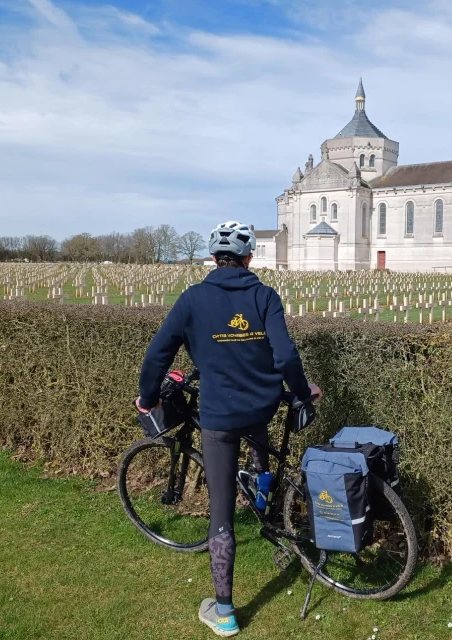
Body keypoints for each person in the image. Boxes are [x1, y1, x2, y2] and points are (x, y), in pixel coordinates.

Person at [136, 220, 322, 637]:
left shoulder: (192, 299)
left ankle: (224, 613)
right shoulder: (264, 295)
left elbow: (156, 357)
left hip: (219, 418)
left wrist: (147, 398)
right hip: (262, 406)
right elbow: (286, 354)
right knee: (259, 433)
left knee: (220, 512)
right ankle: (262, 496)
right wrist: (299, 393)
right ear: (250, 257)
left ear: (213, 258)